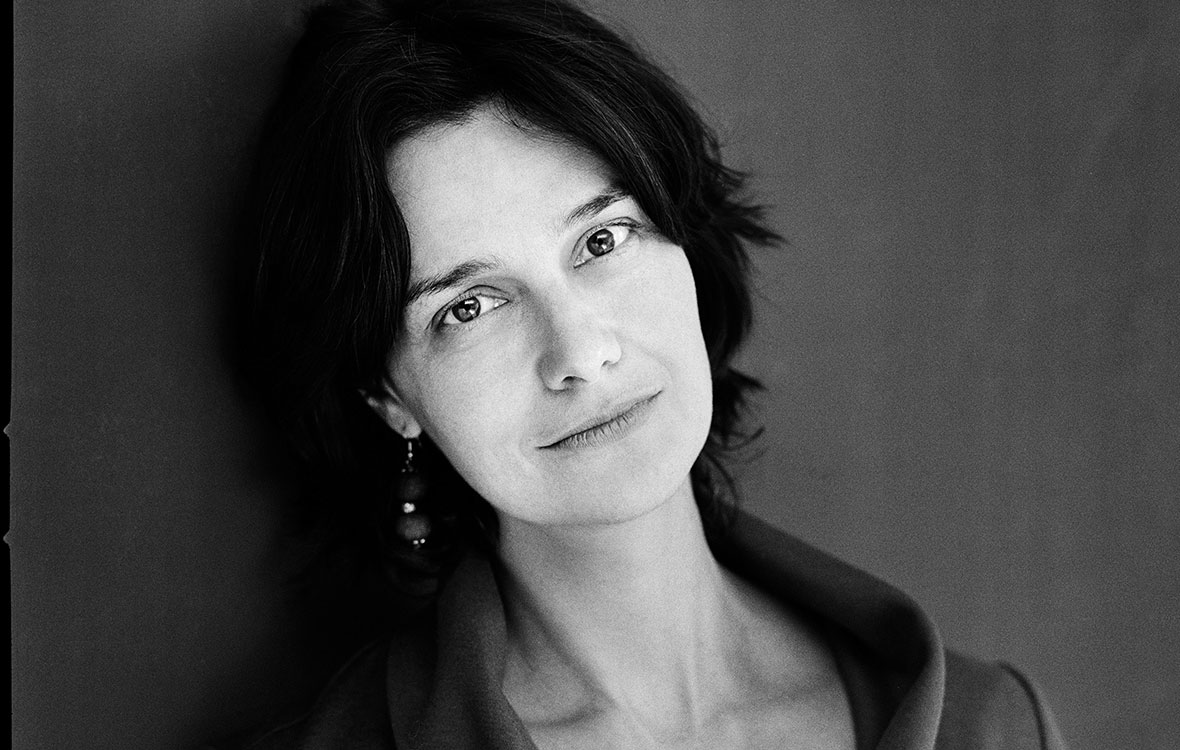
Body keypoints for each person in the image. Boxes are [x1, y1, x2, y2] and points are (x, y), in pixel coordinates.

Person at [239, 0, 1068, 747]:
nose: (578, 351)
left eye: (602, 240)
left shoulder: (991, 727)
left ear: (688, 251)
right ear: (388, 396)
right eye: (471, 306)